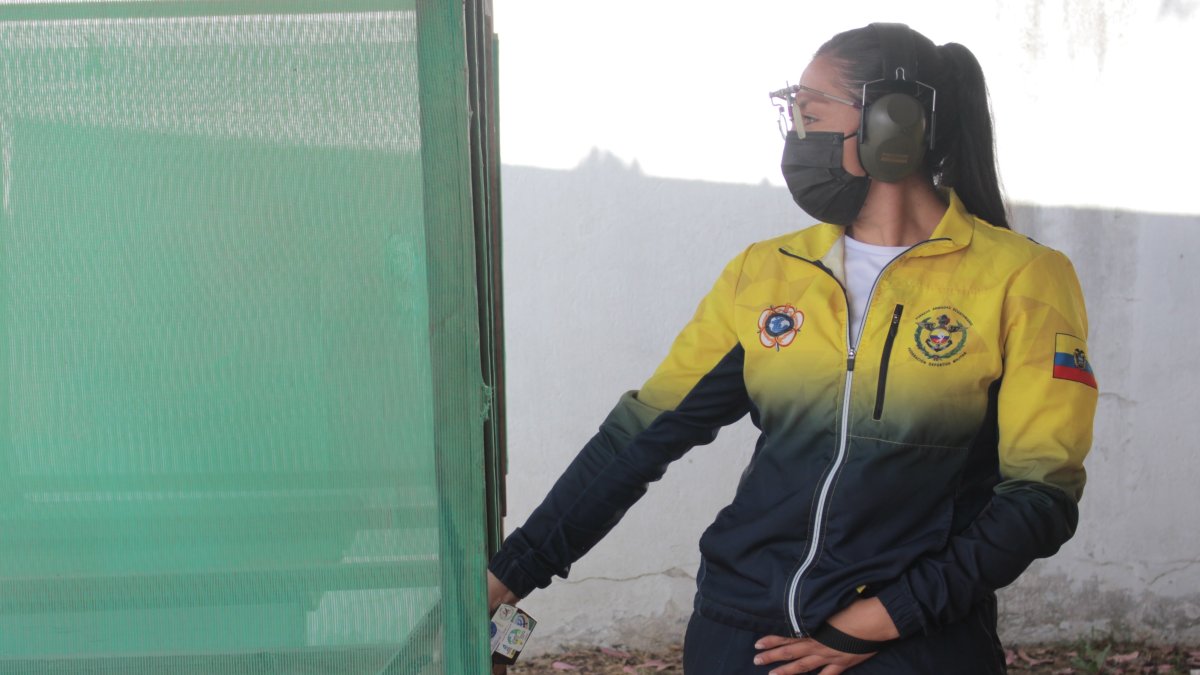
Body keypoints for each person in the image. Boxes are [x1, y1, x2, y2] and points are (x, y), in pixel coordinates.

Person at [487, 23, 1097, 674]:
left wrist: (878, 619)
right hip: (741, 632)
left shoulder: (1021, 279)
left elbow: (1041, 495)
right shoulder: (765, 274)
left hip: (914, 642)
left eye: (810, 114)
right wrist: (506, 576)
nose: (796, 137)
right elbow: (642, 435)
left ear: (894, 122)